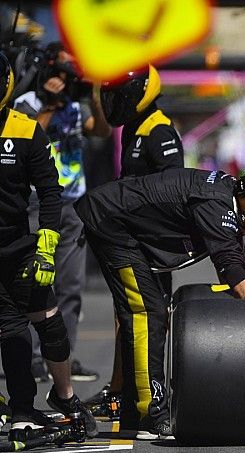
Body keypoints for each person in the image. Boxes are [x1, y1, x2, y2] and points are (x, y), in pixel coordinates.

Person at [74, 162, 245, 439]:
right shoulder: (216, 203)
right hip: (110, 220)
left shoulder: (228, 198)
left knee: (145, 314)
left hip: (118, 220)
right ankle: (151, 413)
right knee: (148, 314)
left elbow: (237, 263)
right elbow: (230, 266)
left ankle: (133, 416)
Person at [0, 52, 96, 437]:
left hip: (22, 245)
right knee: (11, 330)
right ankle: (22, 405)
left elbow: (51, 192)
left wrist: (46, 245)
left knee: (51, 326)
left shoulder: (25, 129)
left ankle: (65, 395)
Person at [86, 65, 184, 415]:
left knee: (152, 317)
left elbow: (173, 189)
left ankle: (153, 388)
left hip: (153, 242)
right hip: (130, 238)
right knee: (124, 314)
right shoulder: (133, 128)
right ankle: (120, 387)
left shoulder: (159, 130)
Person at [14, 41, 111, 383]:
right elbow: (30, 138)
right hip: (37, 204)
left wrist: (95, 97)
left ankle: (63, 356)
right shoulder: (25, 106)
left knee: (71, 284)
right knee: (35, 284)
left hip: (72, 203)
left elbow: (101, 130)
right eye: (57, 75)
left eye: (66, 77)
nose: (62, 82)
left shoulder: (73, 106)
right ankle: (33, 356)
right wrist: (50, 104)